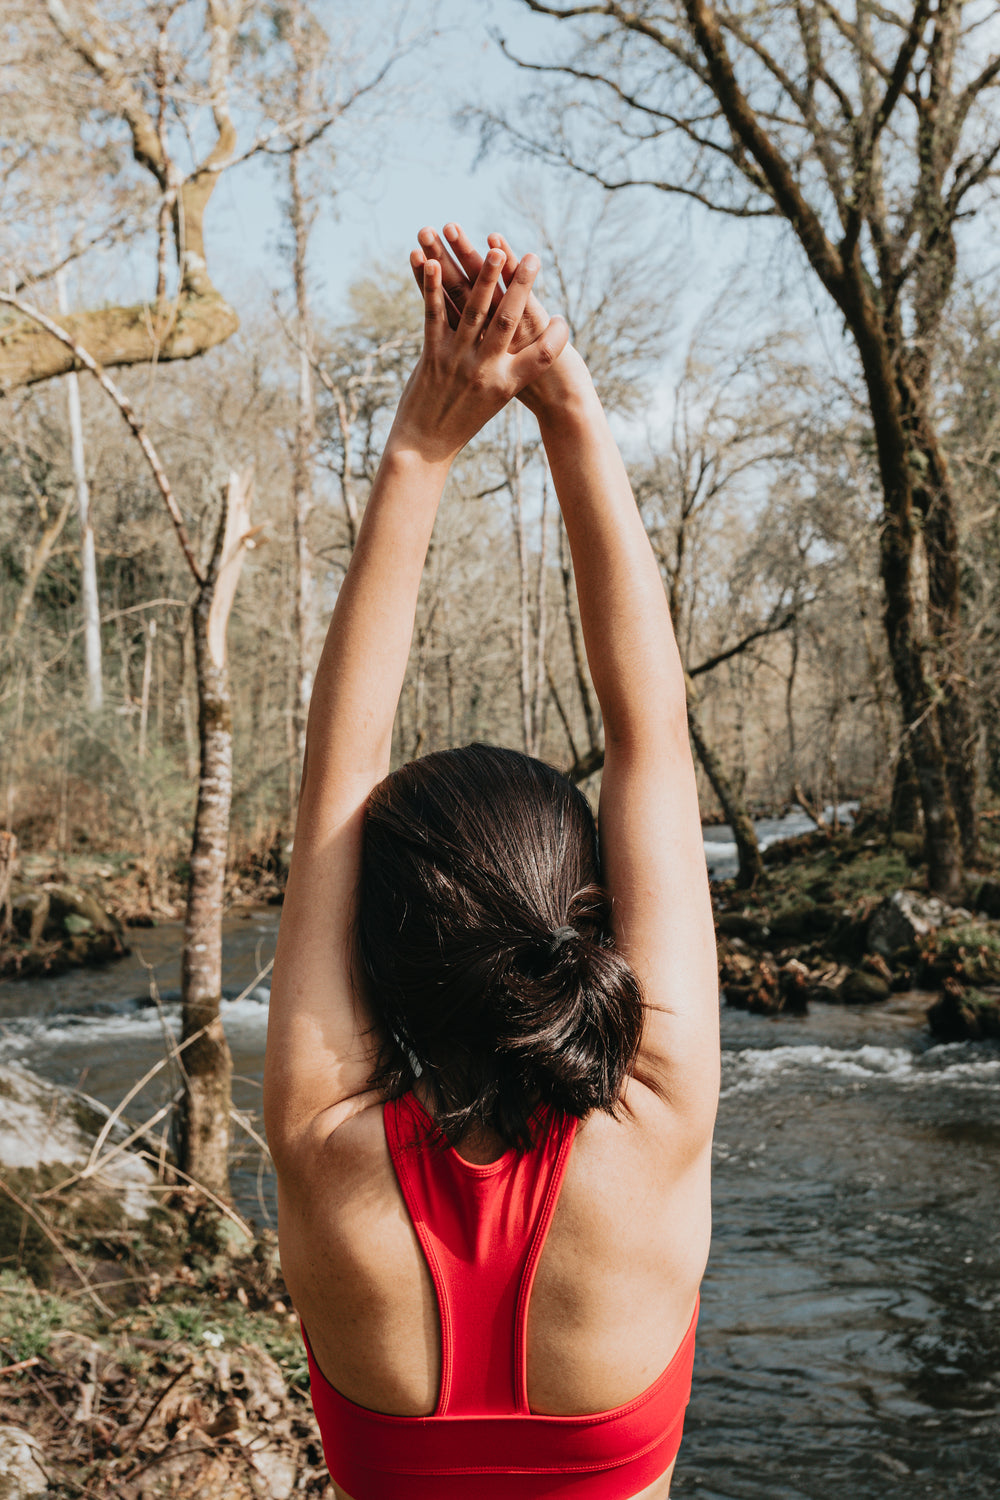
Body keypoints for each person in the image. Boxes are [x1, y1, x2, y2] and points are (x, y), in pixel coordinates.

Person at [263, 223, 720, 1500]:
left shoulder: (321, 1144)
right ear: (588, 919)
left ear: (380, 947)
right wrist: (564, 402)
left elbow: (333, 789)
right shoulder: (656, 1126)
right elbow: (651, 744)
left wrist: (418, 446)